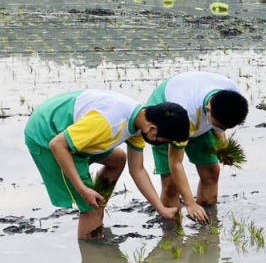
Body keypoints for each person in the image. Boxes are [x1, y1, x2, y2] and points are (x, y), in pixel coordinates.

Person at [24, 90, 189, 239]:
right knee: (90, 210)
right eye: (161, 142)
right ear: (153, 129)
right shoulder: (110, 123)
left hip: (71, 131)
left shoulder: (140, 122)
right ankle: (91, 249)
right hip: (47, 135)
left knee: (118, 160)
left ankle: (98, 204)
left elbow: (137, 170)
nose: (158, 144)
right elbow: (57, 145)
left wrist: (160, 208)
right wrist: (83, 189)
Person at [146, 72, 248, 224]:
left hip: (198, 118)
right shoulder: (185, 114)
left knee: (212, 172)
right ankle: (172, 235)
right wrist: (190, 204)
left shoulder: (231, 95)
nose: (221, 129)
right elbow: (176, 163)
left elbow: (220, 126)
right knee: (171, 184)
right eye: (217, 124)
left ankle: (207, 225)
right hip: (165, 118)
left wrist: (223, 148)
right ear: (208, 109)